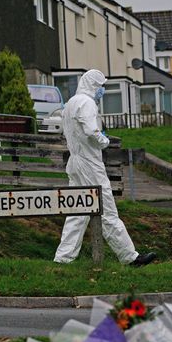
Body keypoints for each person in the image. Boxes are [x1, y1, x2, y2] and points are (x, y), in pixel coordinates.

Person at [53, 69, 156, 267]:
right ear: (94, 85)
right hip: (90, 164)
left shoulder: (71, 103)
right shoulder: (87, 103)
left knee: (77, 210)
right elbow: (92, 131)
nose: (103, 90)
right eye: (101, 86)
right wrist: (104, 141)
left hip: (75, 162)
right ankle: (129, 257)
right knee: (107, 209)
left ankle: (63, 258)